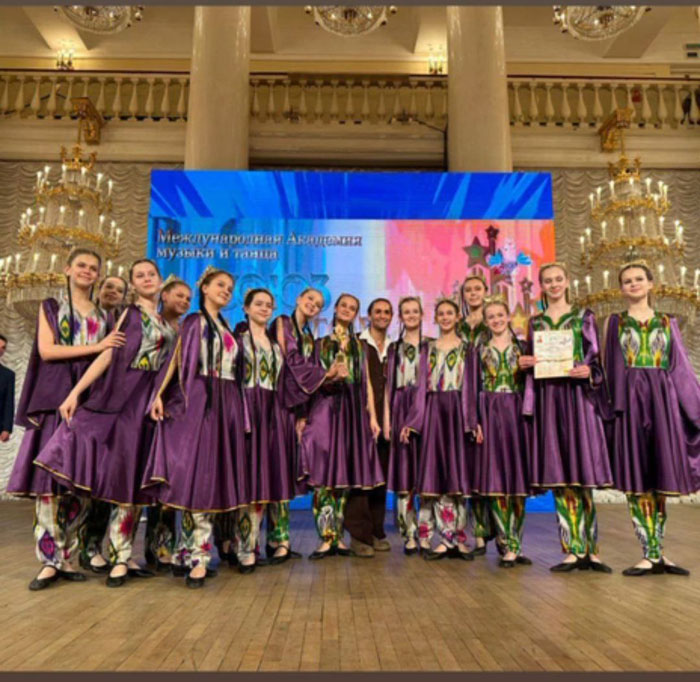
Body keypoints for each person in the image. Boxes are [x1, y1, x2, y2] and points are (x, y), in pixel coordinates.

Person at [35, 258, 177, 588]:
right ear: (133, 284)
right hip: (124, 398)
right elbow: (108, 354)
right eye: (139, 275)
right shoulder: (130, 314)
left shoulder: (168, 324)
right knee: (111, 474)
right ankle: (65, 556)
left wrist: (160, 395)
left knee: (135, 481)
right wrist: (75, 393)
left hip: (149, 405)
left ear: (160, 281)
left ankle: (121, 555)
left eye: (151, 274)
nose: (146, 278)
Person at [6, 248, 118, 591]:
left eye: (93, 268)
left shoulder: (105, 315)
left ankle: (68, 557)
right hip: (56, 395)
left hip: (92, 399)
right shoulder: (51, 307)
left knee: (80, 482)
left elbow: (110, 359)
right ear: (67, 269)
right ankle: (49, 559)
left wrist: (103, 351)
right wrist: (97, 347)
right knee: (48, 484)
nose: (87, 271)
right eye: (81, 265)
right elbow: (48, 350)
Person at [146, 267, 248, 588]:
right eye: (220, 285)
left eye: (230, 287)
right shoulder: (195, 322)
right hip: (202, 401)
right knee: (199, 478)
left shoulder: (226, 326)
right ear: (204, 288)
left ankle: (185, 553)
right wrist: (158, 394)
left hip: (227, 403)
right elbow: (176, 359)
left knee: (214, 478)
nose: (226, 290)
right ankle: (197, 558)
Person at [605, 261, 700, 577]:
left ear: (650, 284)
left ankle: (657, 553)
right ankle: (649, 553)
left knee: (660, 475)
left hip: (661, 400)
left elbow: (680, 366)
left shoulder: (667, 321)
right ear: (621, 289)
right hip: (630, 401)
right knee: (638, 477)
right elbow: (610, 366)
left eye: (638, 279)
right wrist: (612, 410)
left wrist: (695, 410)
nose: (633, 284)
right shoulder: (615, 322)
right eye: (627, 281)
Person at [520, 262, 613, 573]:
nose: (554, 284)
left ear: (567, 281)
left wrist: (589, 371)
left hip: (578, 399)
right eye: (548, 280)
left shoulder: (584, 317)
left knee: (582, 473)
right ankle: (572, 549)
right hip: (549, 399)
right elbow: (530, 359)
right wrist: (527, 362)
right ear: (542, 285)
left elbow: (597, 360)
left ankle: (592, 550)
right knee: (560, 475)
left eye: (558, 279)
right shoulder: (536, 322)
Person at [299, 293, 383, 559]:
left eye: (353, 308)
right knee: (324, 474)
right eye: (344, 305)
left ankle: (338, 536)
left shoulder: (361, 346)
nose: (347, 310)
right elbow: (309, 381)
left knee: (344, 477)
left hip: (352, 412)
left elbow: (367, 383)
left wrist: (372, 417)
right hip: (325, 409)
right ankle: (326, 538)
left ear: (357, 314)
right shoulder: (320, 344)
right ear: (335, 309)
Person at [400, 298, 475, 561]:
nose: (445, 317)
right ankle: (440, 537)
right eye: (440, 313)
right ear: (435, 318)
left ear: (457, 317)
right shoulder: (427, 348)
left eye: (449, 313)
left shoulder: (467, 348)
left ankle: (457, 537)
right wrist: (413, 421)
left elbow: (471, 387)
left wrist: (471, 420)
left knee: (457, 475)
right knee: (436, 475)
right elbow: (421, 386)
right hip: (433, 411)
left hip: (456, 412)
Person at [234, 288, 296, 574]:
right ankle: (245, 548)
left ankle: (270, 541)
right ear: (246, 308)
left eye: (269, 305)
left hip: (273, 413)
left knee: (268, 478)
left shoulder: (275, 344)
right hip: (247, 408)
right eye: (258, 304)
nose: (264, 308)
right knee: (247, 480)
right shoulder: (237, 340)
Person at [469, 297, 532, 568]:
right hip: (490, 412)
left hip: (517, 413)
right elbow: (471, 387)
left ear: (508, 317)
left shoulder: (524, 348)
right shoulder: (479, 350)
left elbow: (534, 384)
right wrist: (475, 421)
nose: (496, 320)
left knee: (517, 482)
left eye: (500, 315)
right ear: (486, 321)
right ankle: (505, 543)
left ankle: (515, 544)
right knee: (495, 482)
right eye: (491, 316)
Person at [270, 287, 330, 565]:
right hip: (275, 404)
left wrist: (303, 414)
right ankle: (278, 540)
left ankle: (281, 539)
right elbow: (291, 361)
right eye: (310, 299)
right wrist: (326, 374)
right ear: (297, 298)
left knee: (286, 471)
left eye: (318, 304)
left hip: (294, 408)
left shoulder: (309, 336)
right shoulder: (283, 323)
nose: (313, 305)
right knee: (275, 471)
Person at [143, 275, 193, 570]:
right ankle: (151, 548)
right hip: (149, 401)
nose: (184, 301)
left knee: (171, 478)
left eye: (188, 298)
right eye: (179, 295)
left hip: (177, 410)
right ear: (164, 295)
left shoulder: (187, 329)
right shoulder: (153, 324)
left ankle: (166, 546)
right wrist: (156, 394)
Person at [344, 297, 393, 556]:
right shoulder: (357, 344)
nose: (382, 315)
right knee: (361, 478)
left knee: (380, 478)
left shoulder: (394, 348)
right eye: (378, 311)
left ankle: (376, 531)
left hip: (388, 421)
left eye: (387, 312)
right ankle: (358, 535)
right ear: (369, 315)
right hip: (361, 418)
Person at [457, 274, 494, 556]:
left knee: (488, 467)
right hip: (460, 398)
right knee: (469, 470)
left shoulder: (493, 323)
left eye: (477, 289)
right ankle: (478, 535)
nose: (473, 293)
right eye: (468, 290)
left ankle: (501, 534)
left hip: (488, 398)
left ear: (485, 291)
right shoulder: (457, 326)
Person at [384, 297, 425, 554]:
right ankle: (408, 533)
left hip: (426, 409)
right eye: (406, 312)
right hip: (400, 407)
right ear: (400, 317)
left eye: (415, 311)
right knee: (404, 473)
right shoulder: (393, 348)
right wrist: (388, 419)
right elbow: (388, 387)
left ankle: (427, 532)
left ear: (422, 314)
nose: (410, 315)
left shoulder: (431, 345)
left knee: (427, 471)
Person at [0, 334, 15, 443]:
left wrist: (6, 428)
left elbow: (9, 403)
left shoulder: (8, 375)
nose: (0, 350)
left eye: (3, 347)